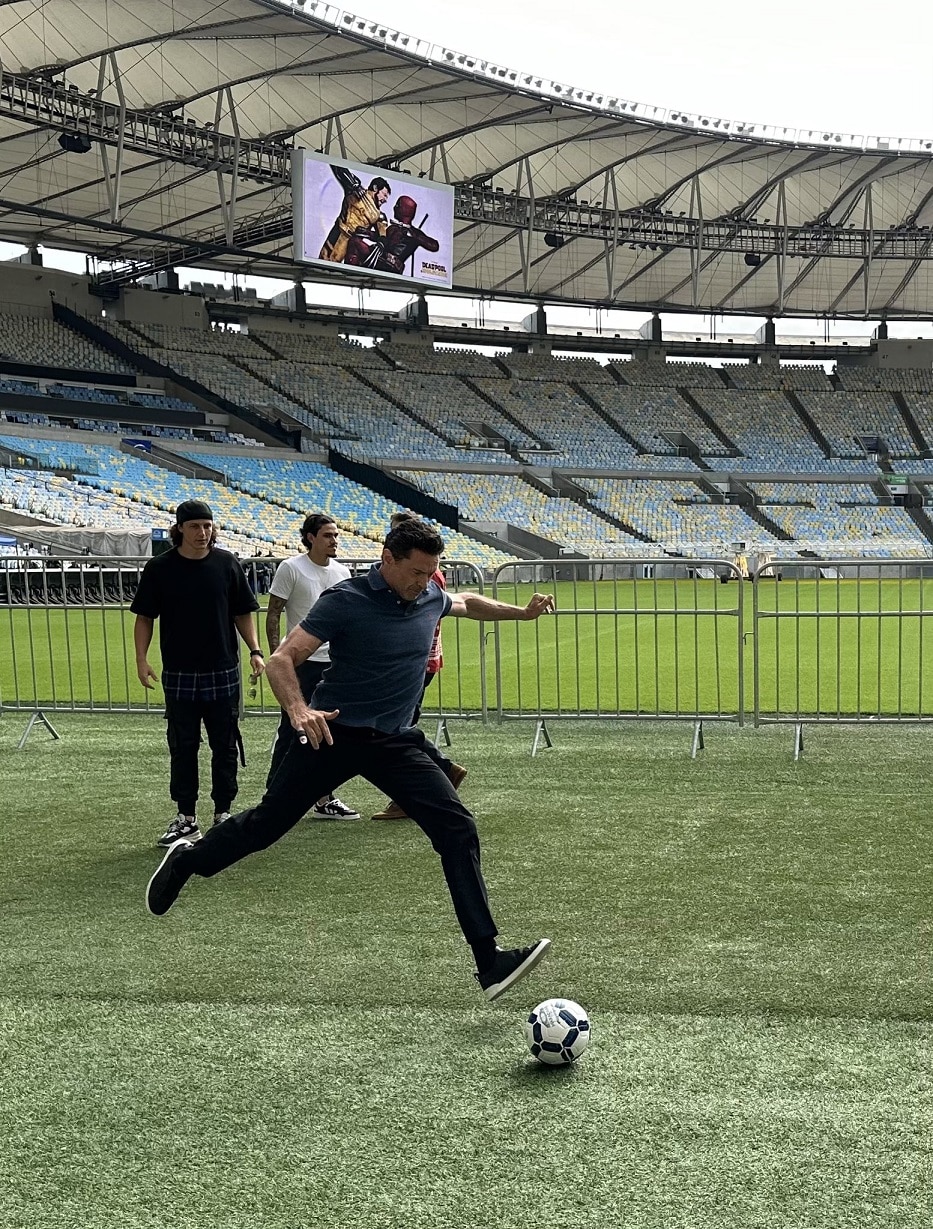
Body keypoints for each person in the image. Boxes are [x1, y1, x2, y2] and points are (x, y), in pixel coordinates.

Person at [146, 519, 555, 1002]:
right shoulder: (347, 600)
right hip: (332, 733)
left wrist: (521, 614)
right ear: (387, 560)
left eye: (431, 572)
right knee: (266, 826)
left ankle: (489, 961)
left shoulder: (430, 595)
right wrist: (299, 710)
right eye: (416, 571)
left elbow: (465, 603)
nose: (423, 582)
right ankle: (189, 862)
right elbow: (282, 660)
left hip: (396, 742)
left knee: (457, 829)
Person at [132, 500, 265, 847]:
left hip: (223, 668)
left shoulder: (227, 564)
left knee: (226, 744)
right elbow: (144, 617)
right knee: (183, 745)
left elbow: (242, 612)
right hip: (179, 671)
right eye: (195, 527)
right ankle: (186, 817)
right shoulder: (159, 569)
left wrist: (254, 650)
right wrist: (141, 659)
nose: (203, 533)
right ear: (179, 529)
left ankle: (223, 813)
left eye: (207, 526)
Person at [265, 513, 359, 820]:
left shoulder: (342, 572)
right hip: (300, 663)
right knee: (292, 727)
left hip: (333, 664)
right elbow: (274, 613)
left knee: (330, 730)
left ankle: (324, 799)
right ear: (310, 538)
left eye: (335, 535)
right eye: (328, 535)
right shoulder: (291, 568)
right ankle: (273, 798)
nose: (335, 541)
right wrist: (278, 657)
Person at [372, 510, 462, 821]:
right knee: (399, 729)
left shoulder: (425, 576)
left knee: (395, 732)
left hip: (418, 663)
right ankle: (440, 774)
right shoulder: (423, 575)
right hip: (419, 661)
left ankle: (428, 785)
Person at [318, 165, 391, 266]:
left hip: (352, 244)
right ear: (375, 188)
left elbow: (383, 236)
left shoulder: (379, 215)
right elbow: (339, 168)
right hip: (338, 233)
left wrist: (380, 241)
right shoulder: (355, 191)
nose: (385, 199)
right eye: (384, 194)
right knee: (324, 262)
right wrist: (353, 185)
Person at [375, 195, 440, 276]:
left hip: (393, 267)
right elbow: (382, 239)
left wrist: (415, 236)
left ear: (404, 210)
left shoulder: (414, 232)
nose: (394, 208)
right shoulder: (393, 227)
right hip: (379, 259)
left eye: (397, 205)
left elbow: (434, 246)